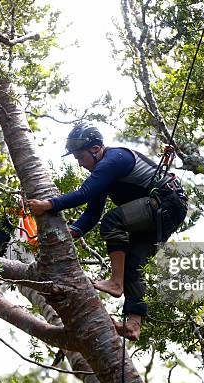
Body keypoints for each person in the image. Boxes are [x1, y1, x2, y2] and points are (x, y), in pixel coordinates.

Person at [28, 122, 187, 340]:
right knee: (133, 263)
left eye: (80, 157)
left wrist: (49, 204)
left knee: (112, 221)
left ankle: (115, 282)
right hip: (160, 215)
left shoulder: (115, 159)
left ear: (95, 149)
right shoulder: (104, 173)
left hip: (167, 204)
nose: (80, 164)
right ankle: (134, 323)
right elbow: (92, 213)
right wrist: (69, 234)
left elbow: (84, 193)